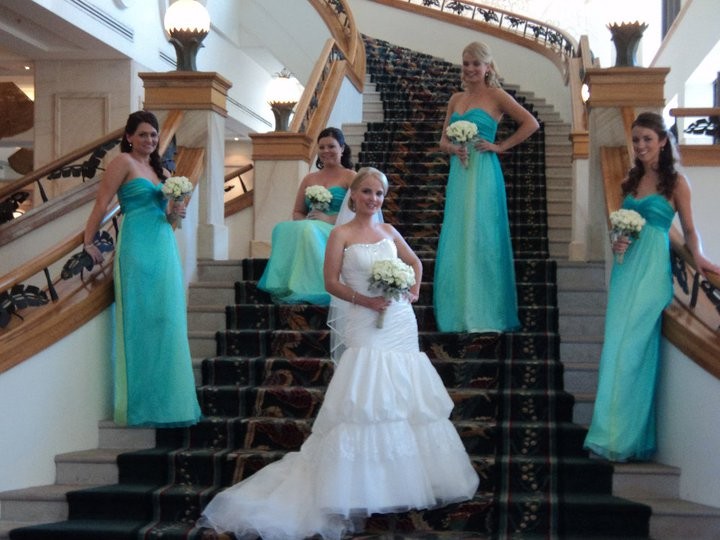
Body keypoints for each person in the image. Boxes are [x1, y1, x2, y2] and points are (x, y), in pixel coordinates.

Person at [197, 167, 478, 540]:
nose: (372, 199)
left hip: (398, 323)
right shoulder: (340, 235)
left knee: (404, 398)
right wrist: (366, 300)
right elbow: (330, 282)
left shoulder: (389, 231)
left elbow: (416, 263)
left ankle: (402, 481)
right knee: (369, 399)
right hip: (365, 319)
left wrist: (411, 292)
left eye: (378, 193)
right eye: (366, 192)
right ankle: (362, 484)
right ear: (353, 195)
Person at [584, 112, 720, 462]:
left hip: (651, 271)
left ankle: (625, 438)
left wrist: (700, 258)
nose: (641, 146)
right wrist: (617, 240)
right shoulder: (630, 181)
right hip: (626, 269)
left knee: (634, 350)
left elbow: (689, 230)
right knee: (616, 348)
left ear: (663, 141)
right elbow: (620, 228)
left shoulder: (677, 184)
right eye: (636, 140)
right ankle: (607, 433)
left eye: (647, 139)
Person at [83, 110, 201, 428]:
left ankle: (165, 401)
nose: (149, 140)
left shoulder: (158, 169)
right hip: (136, 245)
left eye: (153, 135)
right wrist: (88, 241)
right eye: (144, 134)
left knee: (166, 318)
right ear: (129, 137)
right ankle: (140, 402)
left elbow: (171, 222)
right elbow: (101, 203)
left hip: (163, 244)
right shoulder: (123, 163)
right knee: (141, 319)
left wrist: (178, 211)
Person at [434, 41, 539, 333]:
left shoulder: (497, 95)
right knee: (459, 234)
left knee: (481, 234)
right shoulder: (455, 98)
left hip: (483, 171)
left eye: (476, 64)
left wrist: (500, 146)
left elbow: (530, 123)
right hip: (460, 170)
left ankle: (484, 310)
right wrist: (453, 149)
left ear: (488, 67)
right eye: (466, 63)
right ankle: (457, 310)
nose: (470, 69)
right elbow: (442, 140)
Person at [257, 127, 356, 305]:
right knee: (282, 228)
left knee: (309, 230)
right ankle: (284, 283)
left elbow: (357, 214)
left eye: (331, 146)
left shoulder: (351, 177)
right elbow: (297, 211)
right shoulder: (309, 179)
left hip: (338, 228)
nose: (326, 151)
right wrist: (305, 221)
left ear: (342, 148)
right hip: (311, 224)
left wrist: (328, 219)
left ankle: (314, 285)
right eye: (322, 147)